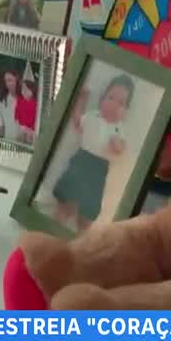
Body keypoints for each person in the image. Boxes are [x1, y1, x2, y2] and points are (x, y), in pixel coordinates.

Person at [52, 74, 135, 230]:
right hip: (81, 162)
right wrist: (81, 100)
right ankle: (56, 226)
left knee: (87, 214)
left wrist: (117, 144)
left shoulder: (118, 128)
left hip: (98, 170)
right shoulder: (92, 116)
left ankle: (82, 232)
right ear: (102, 99)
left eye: (121, 103)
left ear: (126, 111)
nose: (113, 105)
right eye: (110, 98)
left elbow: (122, 149)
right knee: (65, 203)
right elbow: (77, 122)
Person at [15, 62, 38, 145]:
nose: (24, 91)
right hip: (21, 131)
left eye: (26, 88)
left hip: (32, 133)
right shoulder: (20, 100)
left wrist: (30, 130)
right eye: (22, 88)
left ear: (32, 89)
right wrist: (20, 128)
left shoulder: (36, 104)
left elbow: (37, 120)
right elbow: (17, 116)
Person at [0, 68, 22, 142]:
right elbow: (2, 126)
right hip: (8, 141)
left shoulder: (25, 98)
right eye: (6, 81)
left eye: (10, 80)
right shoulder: (4, 102)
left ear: (17, 80)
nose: (8, 84)